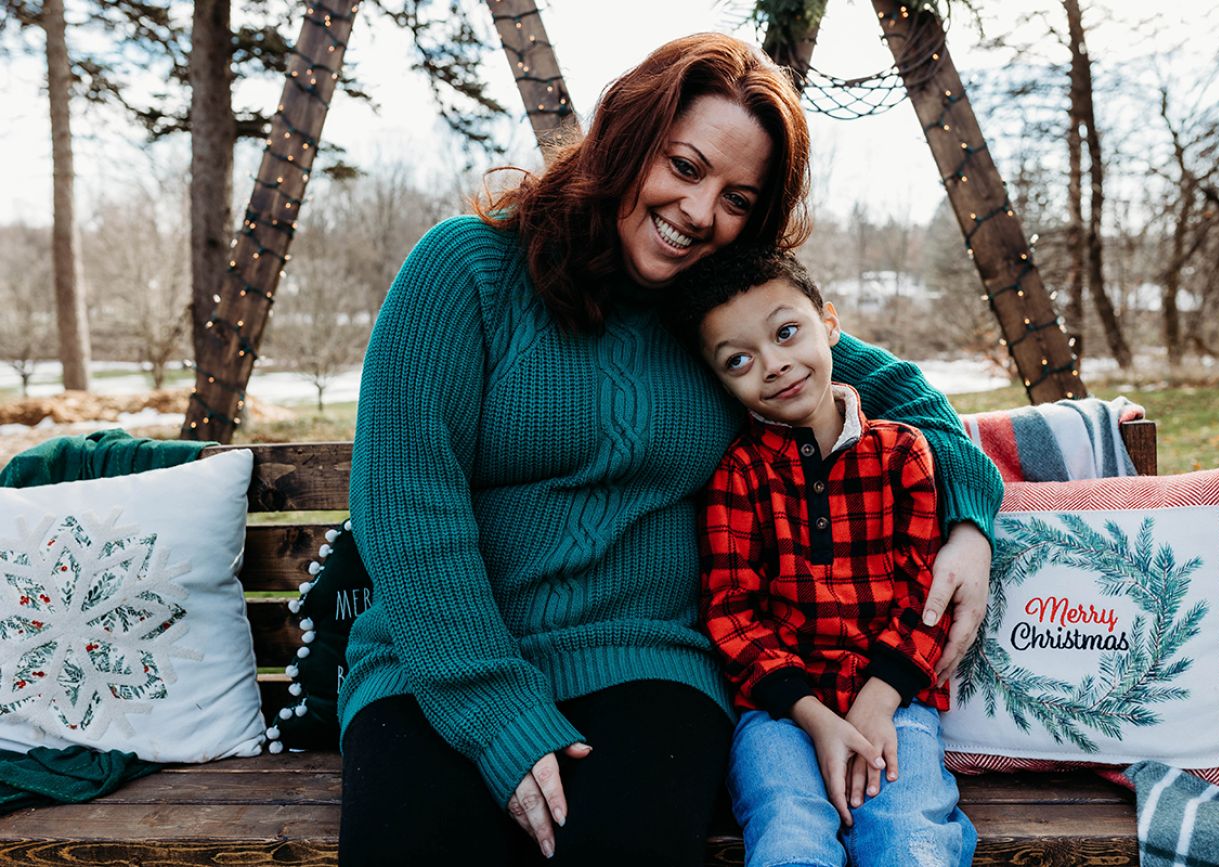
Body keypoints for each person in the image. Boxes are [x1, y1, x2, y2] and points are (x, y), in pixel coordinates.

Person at [338, 32, 1003, 866]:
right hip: (437, 663)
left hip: (647, 667)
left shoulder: (720, 324)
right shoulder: (465, 269)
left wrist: (971, 523)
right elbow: (405, 502)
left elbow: (919, 410)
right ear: (625, 141)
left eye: (736, 198)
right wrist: (496, 711)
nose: (698, 212)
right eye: (686, 167)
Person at [671, 244, 977, 867]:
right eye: (739, 360)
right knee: (789, 828)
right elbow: (731, 613)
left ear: (829, 324)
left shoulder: (901, 454)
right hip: (781, 711)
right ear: (722, 381)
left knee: (908, 831)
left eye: (787, 333)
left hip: (892, 699)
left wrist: (880, 698)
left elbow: (926, 593)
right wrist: (810, 714)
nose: (775, 365)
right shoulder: (739, 474)